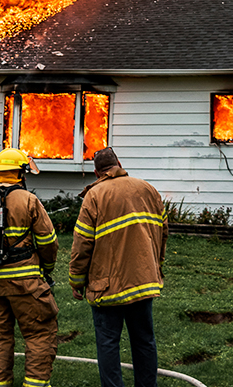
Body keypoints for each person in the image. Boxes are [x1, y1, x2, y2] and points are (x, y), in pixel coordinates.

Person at [69, 147, 168, 387]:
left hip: (107, 287)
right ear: (119, 165)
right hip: (143, 280)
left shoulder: (95, 195)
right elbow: (163, 232)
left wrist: (76, 280)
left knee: (108, 343)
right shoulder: (148, 189)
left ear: (97, 173)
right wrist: (156, 265)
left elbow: (82, 244)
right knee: (144, 340)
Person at [0, 149, 58, 387]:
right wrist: (46, 268)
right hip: (26, 283)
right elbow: (48, 241)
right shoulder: (28, 201)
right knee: (38, 332)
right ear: (20, 174)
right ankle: (35, 384)